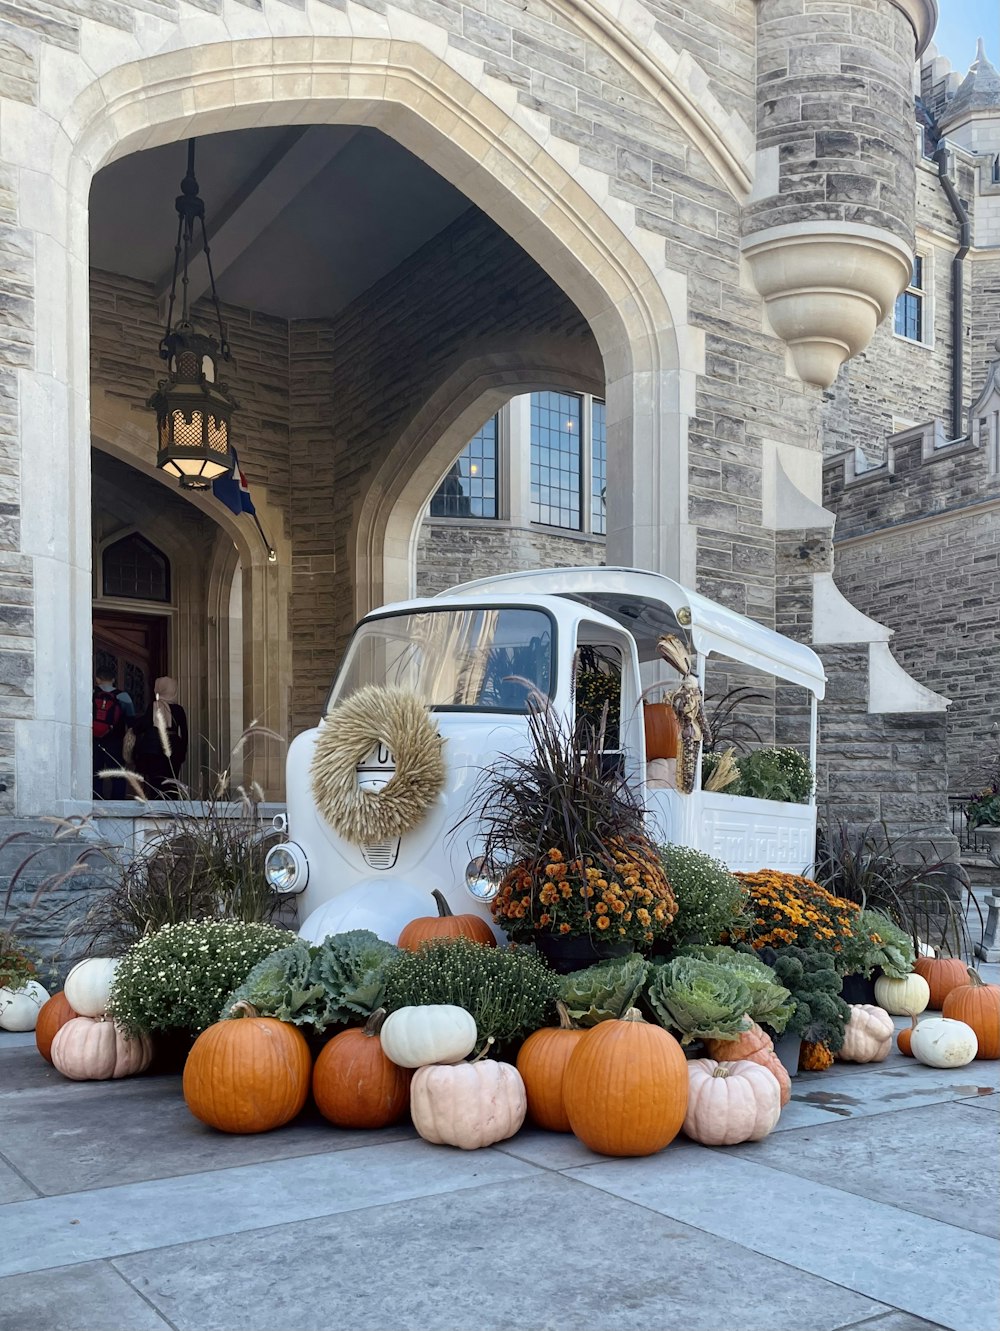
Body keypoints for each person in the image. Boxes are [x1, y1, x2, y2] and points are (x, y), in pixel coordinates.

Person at [132, 676, 188, 799]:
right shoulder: (179, 710)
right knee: (172, 781)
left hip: (154, 748)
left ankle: (157, 808)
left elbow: (142, 726)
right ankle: (172, 809)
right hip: (174, 748)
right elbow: (184, 733)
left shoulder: (153, 707)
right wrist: (182, 752)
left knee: (155, 781)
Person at [93, 668, 128, 800]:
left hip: (95, 739)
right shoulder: (123, 696)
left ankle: (96, 798)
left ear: (98, 680)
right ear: (113, 680)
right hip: (116, 739)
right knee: (117, 772)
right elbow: (131, 717)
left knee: (95, 771)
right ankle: (118, 801)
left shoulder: (92, 694)